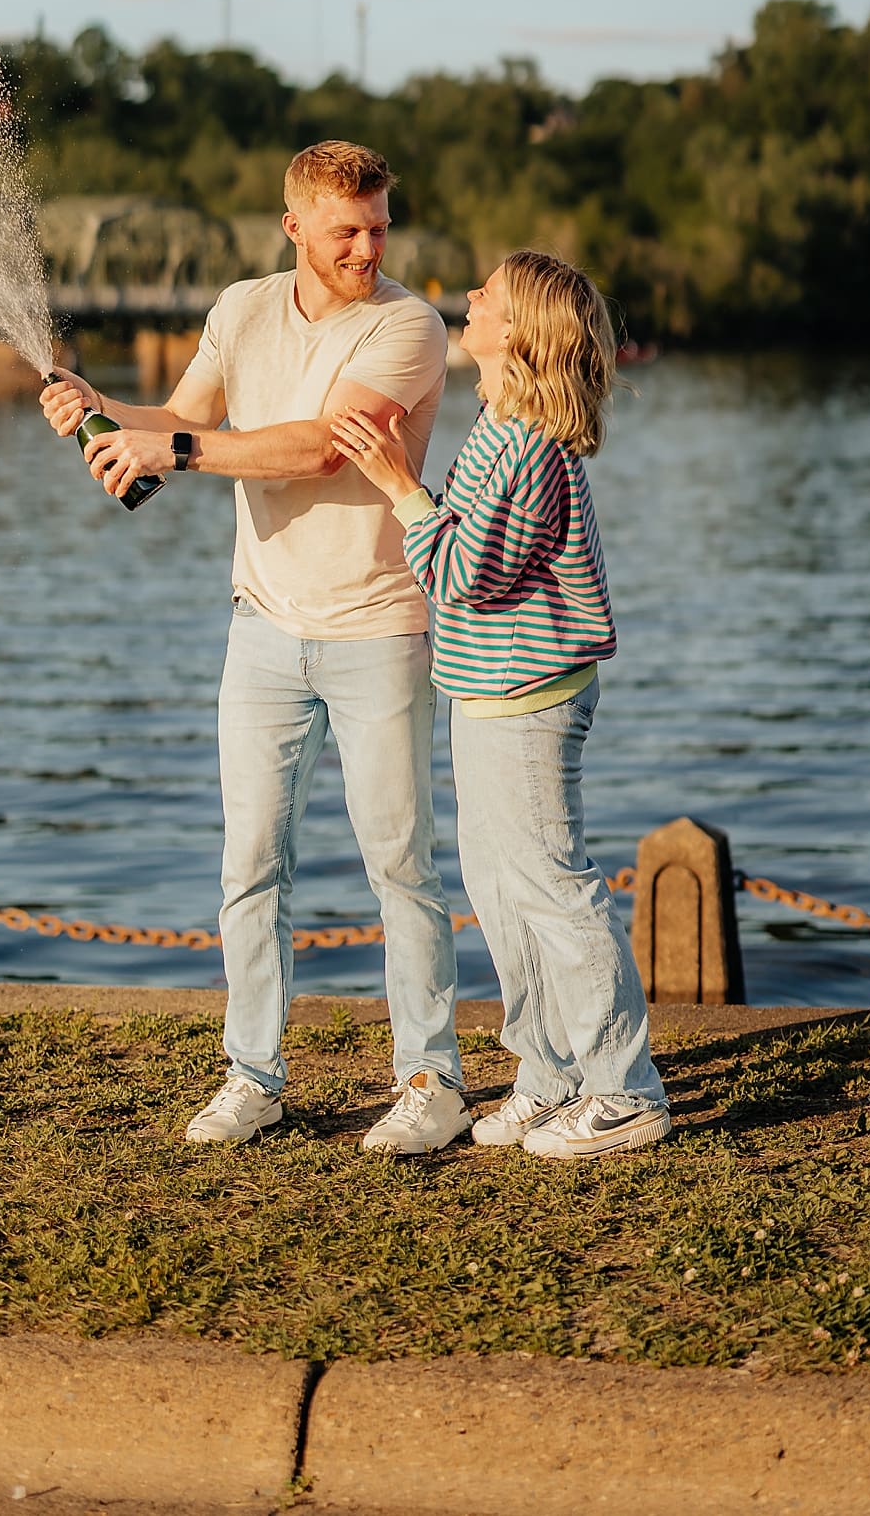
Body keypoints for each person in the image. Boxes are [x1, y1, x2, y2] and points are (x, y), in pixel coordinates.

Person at [39, 141, 470, 1156]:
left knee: (399, 865)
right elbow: (180, 417)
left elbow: (326, 444)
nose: (368, 248)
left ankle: (432, 1084)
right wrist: (97, 408)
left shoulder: (409, 326)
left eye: (378, 228)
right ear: (294, 228)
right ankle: (253, 1079)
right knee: (249, 864)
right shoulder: (240, 308)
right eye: (346, 232)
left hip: (378, 630)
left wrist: (175, 452)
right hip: (263, 630)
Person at [331, 250, 671, 1160]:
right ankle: (548, 1074)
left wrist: (401, 485)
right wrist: (417, 489)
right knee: (501, 892)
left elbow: (460, 577)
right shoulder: (499, 420)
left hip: (528, 701)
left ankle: (626, 1091)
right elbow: (474, 556)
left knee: (554, 891)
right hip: (489, 695)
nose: (469, 297)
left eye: (488, 293)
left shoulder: (525, 443)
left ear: (515, 332)